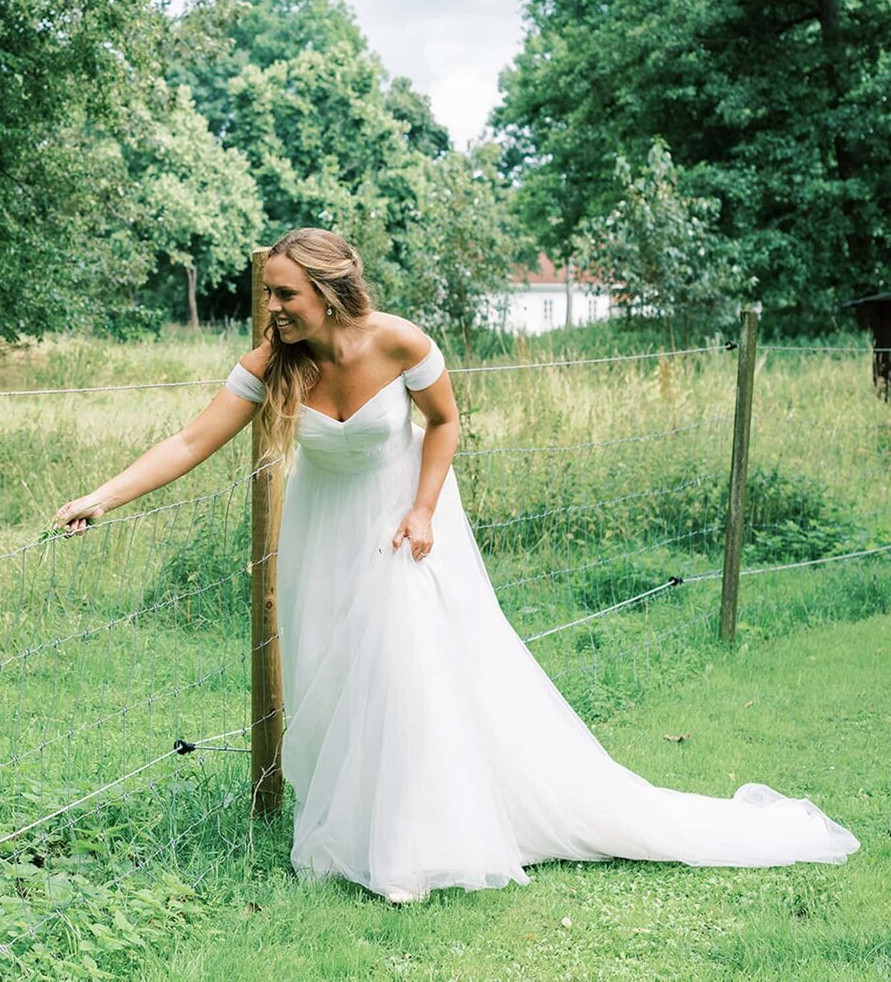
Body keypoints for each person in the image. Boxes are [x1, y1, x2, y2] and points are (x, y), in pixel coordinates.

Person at [54, 227, 859, 904]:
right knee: (334, 683)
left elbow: (443, 420)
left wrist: (423, 508)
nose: (270, 309)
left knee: (407, 674)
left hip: (405, 527)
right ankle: (360, 822)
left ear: (330, 291)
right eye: (266, 293)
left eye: (284, 295)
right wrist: (102, 495)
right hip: (320, 536)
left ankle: (410, 850)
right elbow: (193, 441)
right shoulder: (273, 362)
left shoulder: (399, 340)